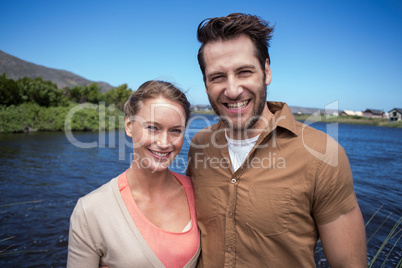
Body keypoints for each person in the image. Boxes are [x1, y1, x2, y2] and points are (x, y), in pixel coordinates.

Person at [187, 13, 367, 267]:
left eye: (244, 72)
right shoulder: (199, 145)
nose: (232, 89)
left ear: (266, 71)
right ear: (206, 85)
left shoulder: (323, 154)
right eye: (217, 77)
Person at [68, 80, 200, 267]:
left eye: (175, 131)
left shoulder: (199, 193)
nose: (164, 142)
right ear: (129, 126)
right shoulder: (90, 211)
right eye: (152, 127)